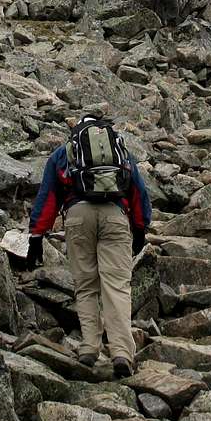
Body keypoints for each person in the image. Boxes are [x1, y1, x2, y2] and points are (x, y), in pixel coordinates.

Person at [26, 116, 151, 379]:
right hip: (115, 215)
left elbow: (48, 195)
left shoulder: (65, 152)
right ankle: (121, 353)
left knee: (85, 285)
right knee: (116, 285)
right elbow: (138, 190)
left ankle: (89, 348)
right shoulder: (119, 151)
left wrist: (37, 235)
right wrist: (140, 228)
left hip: (78, 216)